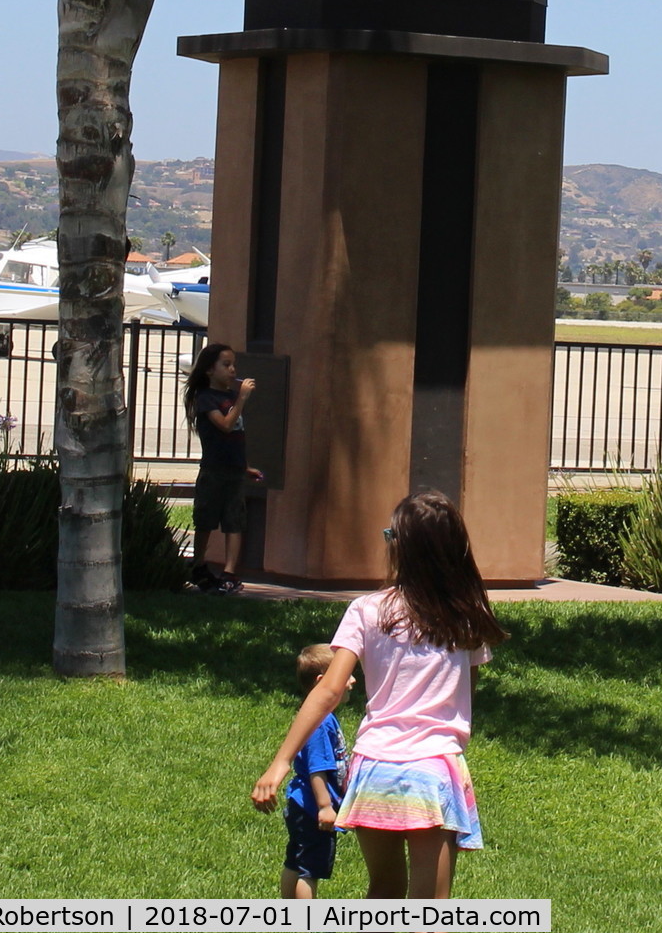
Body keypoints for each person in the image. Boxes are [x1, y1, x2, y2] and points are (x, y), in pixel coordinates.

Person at [252, 491, 504, 900]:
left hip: (374, 770)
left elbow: (328, 691)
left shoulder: (367, 611)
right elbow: (468, 688)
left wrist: (280, 763)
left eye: (391, 534)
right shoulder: (464, 613)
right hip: (433, 769)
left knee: (383, 893)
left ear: (403, 548)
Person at [184, 343, 265, 593]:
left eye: (234, 365)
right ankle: (198, 566)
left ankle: (230, 572)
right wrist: (241, 398)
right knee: (206, 520)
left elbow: (237, 437)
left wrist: (245, 467)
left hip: (233, 471)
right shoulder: (206, 398)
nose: (232, 370)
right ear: (209, 370)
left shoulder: (230, 397)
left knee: (234, 521)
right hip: (213, 470)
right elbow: (225, 426)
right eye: (225, 365)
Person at [279, 644, 354, 898]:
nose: (353, 680)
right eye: (347, 675)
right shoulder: (321, 722)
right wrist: (324, 806)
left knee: (296, 861)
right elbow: (317, 770)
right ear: (323, 681)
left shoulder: (322, 718)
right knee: (308, 870)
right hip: (313, 808)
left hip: (302, 805)